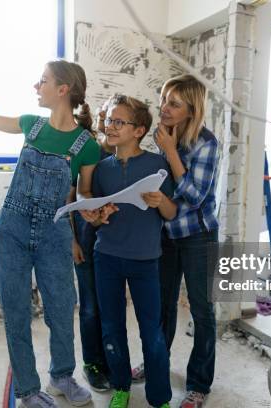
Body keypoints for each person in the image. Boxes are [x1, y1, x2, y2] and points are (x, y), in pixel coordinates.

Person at [0, 34, 96, 407]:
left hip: (55, 235)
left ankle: (62, 377)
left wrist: (91, 214)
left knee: (60, 308)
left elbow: (81, 196)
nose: (36, 86)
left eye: (42, 80)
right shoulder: (32, 126)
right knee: (17, 312)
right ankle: (27, 390)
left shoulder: (86, 144)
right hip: (11, 230)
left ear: (63, 89)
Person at [81, 94, 175, 408]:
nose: (110, 126)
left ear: (138, 130)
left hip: (146, 260)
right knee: (111, 326)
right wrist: (97, 217)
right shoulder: (102, 168)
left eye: (119, 121)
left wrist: (161, 201)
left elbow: (172, 214)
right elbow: (97, 215)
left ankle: (159, 398)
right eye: (108, 120)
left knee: (152, 331)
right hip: (106, 257)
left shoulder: (157, 164)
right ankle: (121, 386)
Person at [132, 74, 220, 408]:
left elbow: (195, 196)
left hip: (199, 236)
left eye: (174, 103)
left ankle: (198, 384)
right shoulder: (164, 136)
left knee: (202, 311)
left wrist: (169, 153)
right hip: (167, 235)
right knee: (162, 306)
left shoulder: (206, 143)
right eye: (164, 99)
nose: (164, 107)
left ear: (191, 110)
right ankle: (157, 363)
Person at [70, 98, 115, 392]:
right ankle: (92, 364)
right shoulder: (90, 152)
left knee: (110, 306)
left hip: (115, 246)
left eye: (110, 118)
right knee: (90, 308)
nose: (106, 124)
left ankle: (111, 360)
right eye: (102, 118)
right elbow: (71, 198)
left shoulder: (128, 157)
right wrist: (73, 239)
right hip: (86, 241)